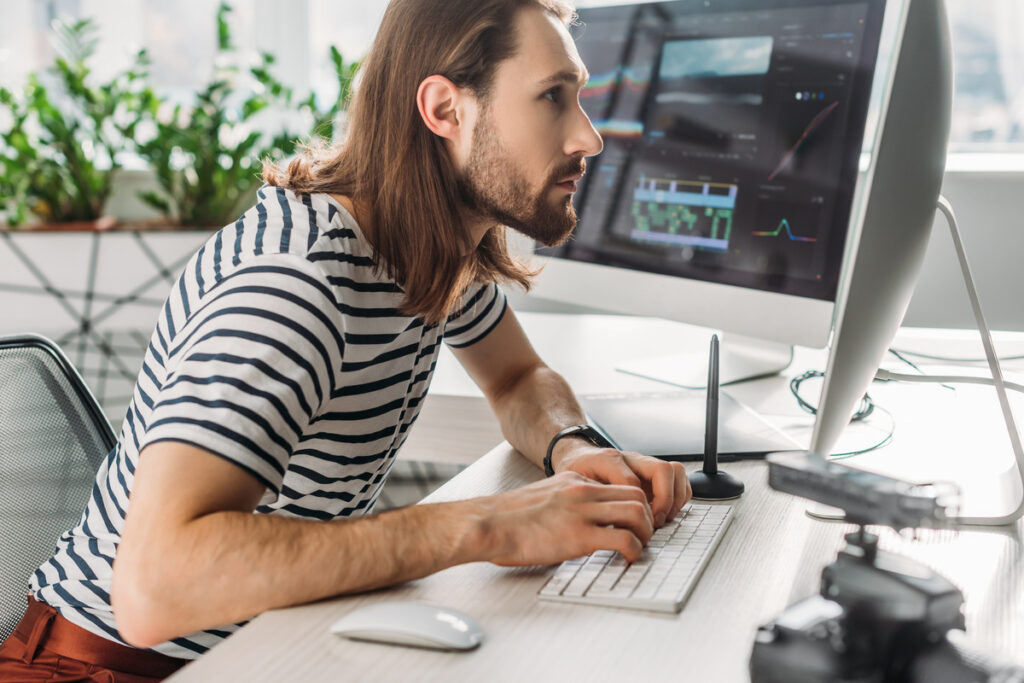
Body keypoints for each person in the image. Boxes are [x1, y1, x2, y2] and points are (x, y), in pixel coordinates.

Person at [0, 0, 691, 679]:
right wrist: (488, 525)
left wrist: (573, 446)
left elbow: (516, 380)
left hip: (262, 648)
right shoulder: (297, 281)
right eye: (552, 98)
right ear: (445, 109)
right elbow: (155, 586)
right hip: (101, 666)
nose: (588, 137)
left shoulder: (432, 241)